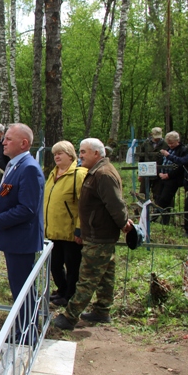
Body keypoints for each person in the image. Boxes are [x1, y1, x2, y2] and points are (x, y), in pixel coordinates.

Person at [53, 138, 133, 331]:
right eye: (80, 151)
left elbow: (115, 204)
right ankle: (102, 310)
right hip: (97, 233)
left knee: (87, 278)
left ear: (96, 153)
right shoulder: (95, 172)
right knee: (105, 275)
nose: (80, 155)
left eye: (83, 152)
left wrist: (124, 223)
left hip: (100, 234)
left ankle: (70, 317)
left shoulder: (103, 174)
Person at [0, 123, 44, 341]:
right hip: (14, 239)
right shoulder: (14, 165)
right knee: (19, 288)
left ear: (24, 143)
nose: (4, 142)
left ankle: (27, 334)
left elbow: (27, 209)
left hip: (21, 240)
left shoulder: (28, 168)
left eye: (9, 139)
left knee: (23, 290)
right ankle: (23, 328)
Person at [43, 141, 87, 307]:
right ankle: (61, 290)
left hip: (70, 231)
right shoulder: (53, 174)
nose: (57, 157)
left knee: (72, 265)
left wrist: (79, 228)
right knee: (54, 265)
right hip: (52, 229)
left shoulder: (78, 174)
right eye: (55, 154)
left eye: (60, 153)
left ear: (70, 155)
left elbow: (84, 204)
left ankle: (70, 295)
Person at [154, 131, 188, 225]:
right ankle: (163, 220)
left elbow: (181, 166)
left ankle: (154, 217)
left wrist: (169, 175)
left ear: (177, 141)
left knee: (164, 199)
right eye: (168, 143)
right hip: (162, 176)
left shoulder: (183, 150)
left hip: (173, 178)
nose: (170, 145)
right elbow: (161, 161)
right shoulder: (167, 149)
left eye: (172, 143)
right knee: (159, 197)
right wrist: (160, 172)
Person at [137, 127, 167, 200]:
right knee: (142, 193)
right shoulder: (145, 143)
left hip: (159, 172)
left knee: (158, 193)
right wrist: (140, 173)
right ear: (151, 135)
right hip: (146, 171)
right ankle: (142, 206)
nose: (157, 139)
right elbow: (141, 159)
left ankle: (156, 206)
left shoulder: (165, 144)